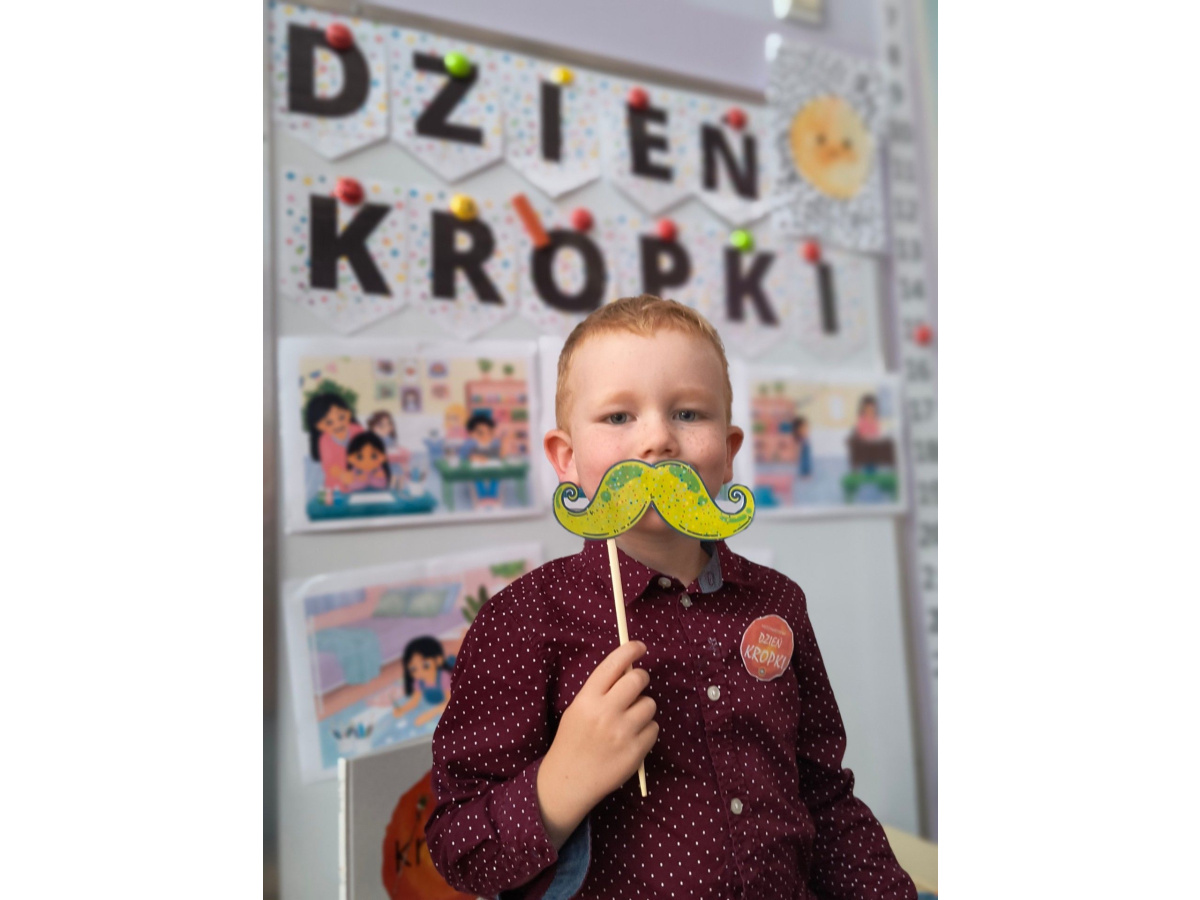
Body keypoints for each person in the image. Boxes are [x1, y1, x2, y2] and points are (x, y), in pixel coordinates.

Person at [426, 296, 915, 899]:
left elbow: (824, 797)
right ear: (567, 458)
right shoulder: (522, 619)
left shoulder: (777, 603)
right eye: (618, 416)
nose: (658, 439)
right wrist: (560, 782)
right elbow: (458, 849)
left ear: (729, 452)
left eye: (688, 413)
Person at [304, 393, 363, 491]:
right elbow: (329, 466)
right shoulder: (325, 440)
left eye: (341, 417)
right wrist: (342, 475)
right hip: (336, 485)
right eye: (329, 422)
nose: (338, 424)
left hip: (361, 480)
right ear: (319, 426)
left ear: (348, 413)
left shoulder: (357, 430)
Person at [392, 636, 455, 728]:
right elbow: (414, 701)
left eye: (425, 665)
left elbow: (450, 702)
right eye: (413, 669)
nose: (420, 672)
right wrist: (402, 709)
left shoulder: (444, 677)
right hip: (435, 708)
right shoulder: (419, 682)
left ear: (438, 660)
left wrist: (429, 714)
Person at [459, 411, 503, 508]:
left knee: (495, 477)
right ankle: (482, 498)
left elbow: (499, 456)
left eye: (489, 433)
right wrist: (472, 457)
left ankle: (492, 497)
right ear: (471, 433)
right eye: (480, 433)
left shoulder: (495, 443)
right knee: (477, 478)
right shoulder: (469, 444)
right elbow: (464, 456)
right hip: (476, 471)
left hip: (492, 470)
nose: (485, 436)